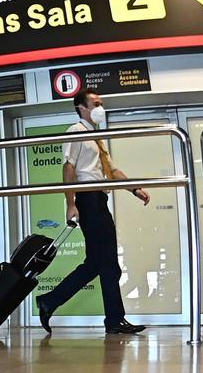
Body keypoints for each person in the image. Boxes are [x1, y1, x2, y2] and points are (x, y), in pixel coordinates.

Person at [35, 89, 149, 335]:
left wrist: (134, 189)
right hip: (87, 200)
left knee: (97, 264)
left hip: (99, 199)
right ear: (81, 108)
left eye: (101, 103)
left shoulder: (97, 137)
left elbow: (112, 171)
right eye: (96, 104)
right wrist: (70, 203)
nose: (100, 108)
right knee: (107, 265)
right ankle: (114, 320)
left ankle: (50, 301)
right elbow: (69, 167)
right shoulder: (76, 131)